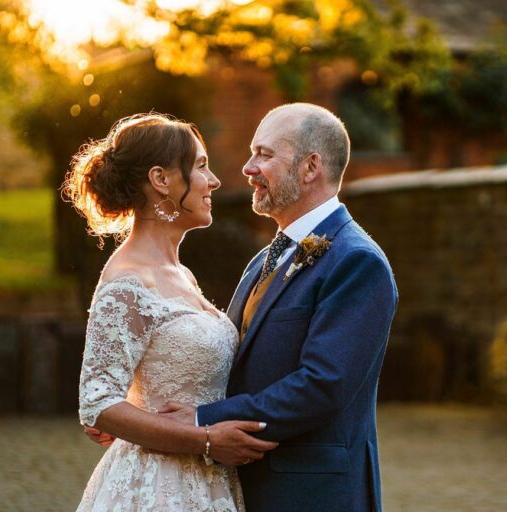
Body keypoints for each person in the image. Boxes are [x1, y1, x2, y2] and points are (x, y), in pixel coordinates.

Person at [156, 103, 399, 511]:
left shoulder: (357, 261)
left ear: (310, 167)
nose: (248, 168)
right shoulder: (264, 259)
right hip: (242, 486)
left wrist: (203, 420)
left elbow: (322, 386)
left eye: (264, 155)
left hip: (311, 494)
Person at [66, 113, 277, 512]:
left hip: (208, 481)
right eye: (200, 166)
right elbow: (97, 402)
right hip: (160, 486)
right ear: (161, 180)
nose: (213, 181)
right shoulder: (127, 281)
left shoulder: (181, 274)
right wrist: (208, 440)